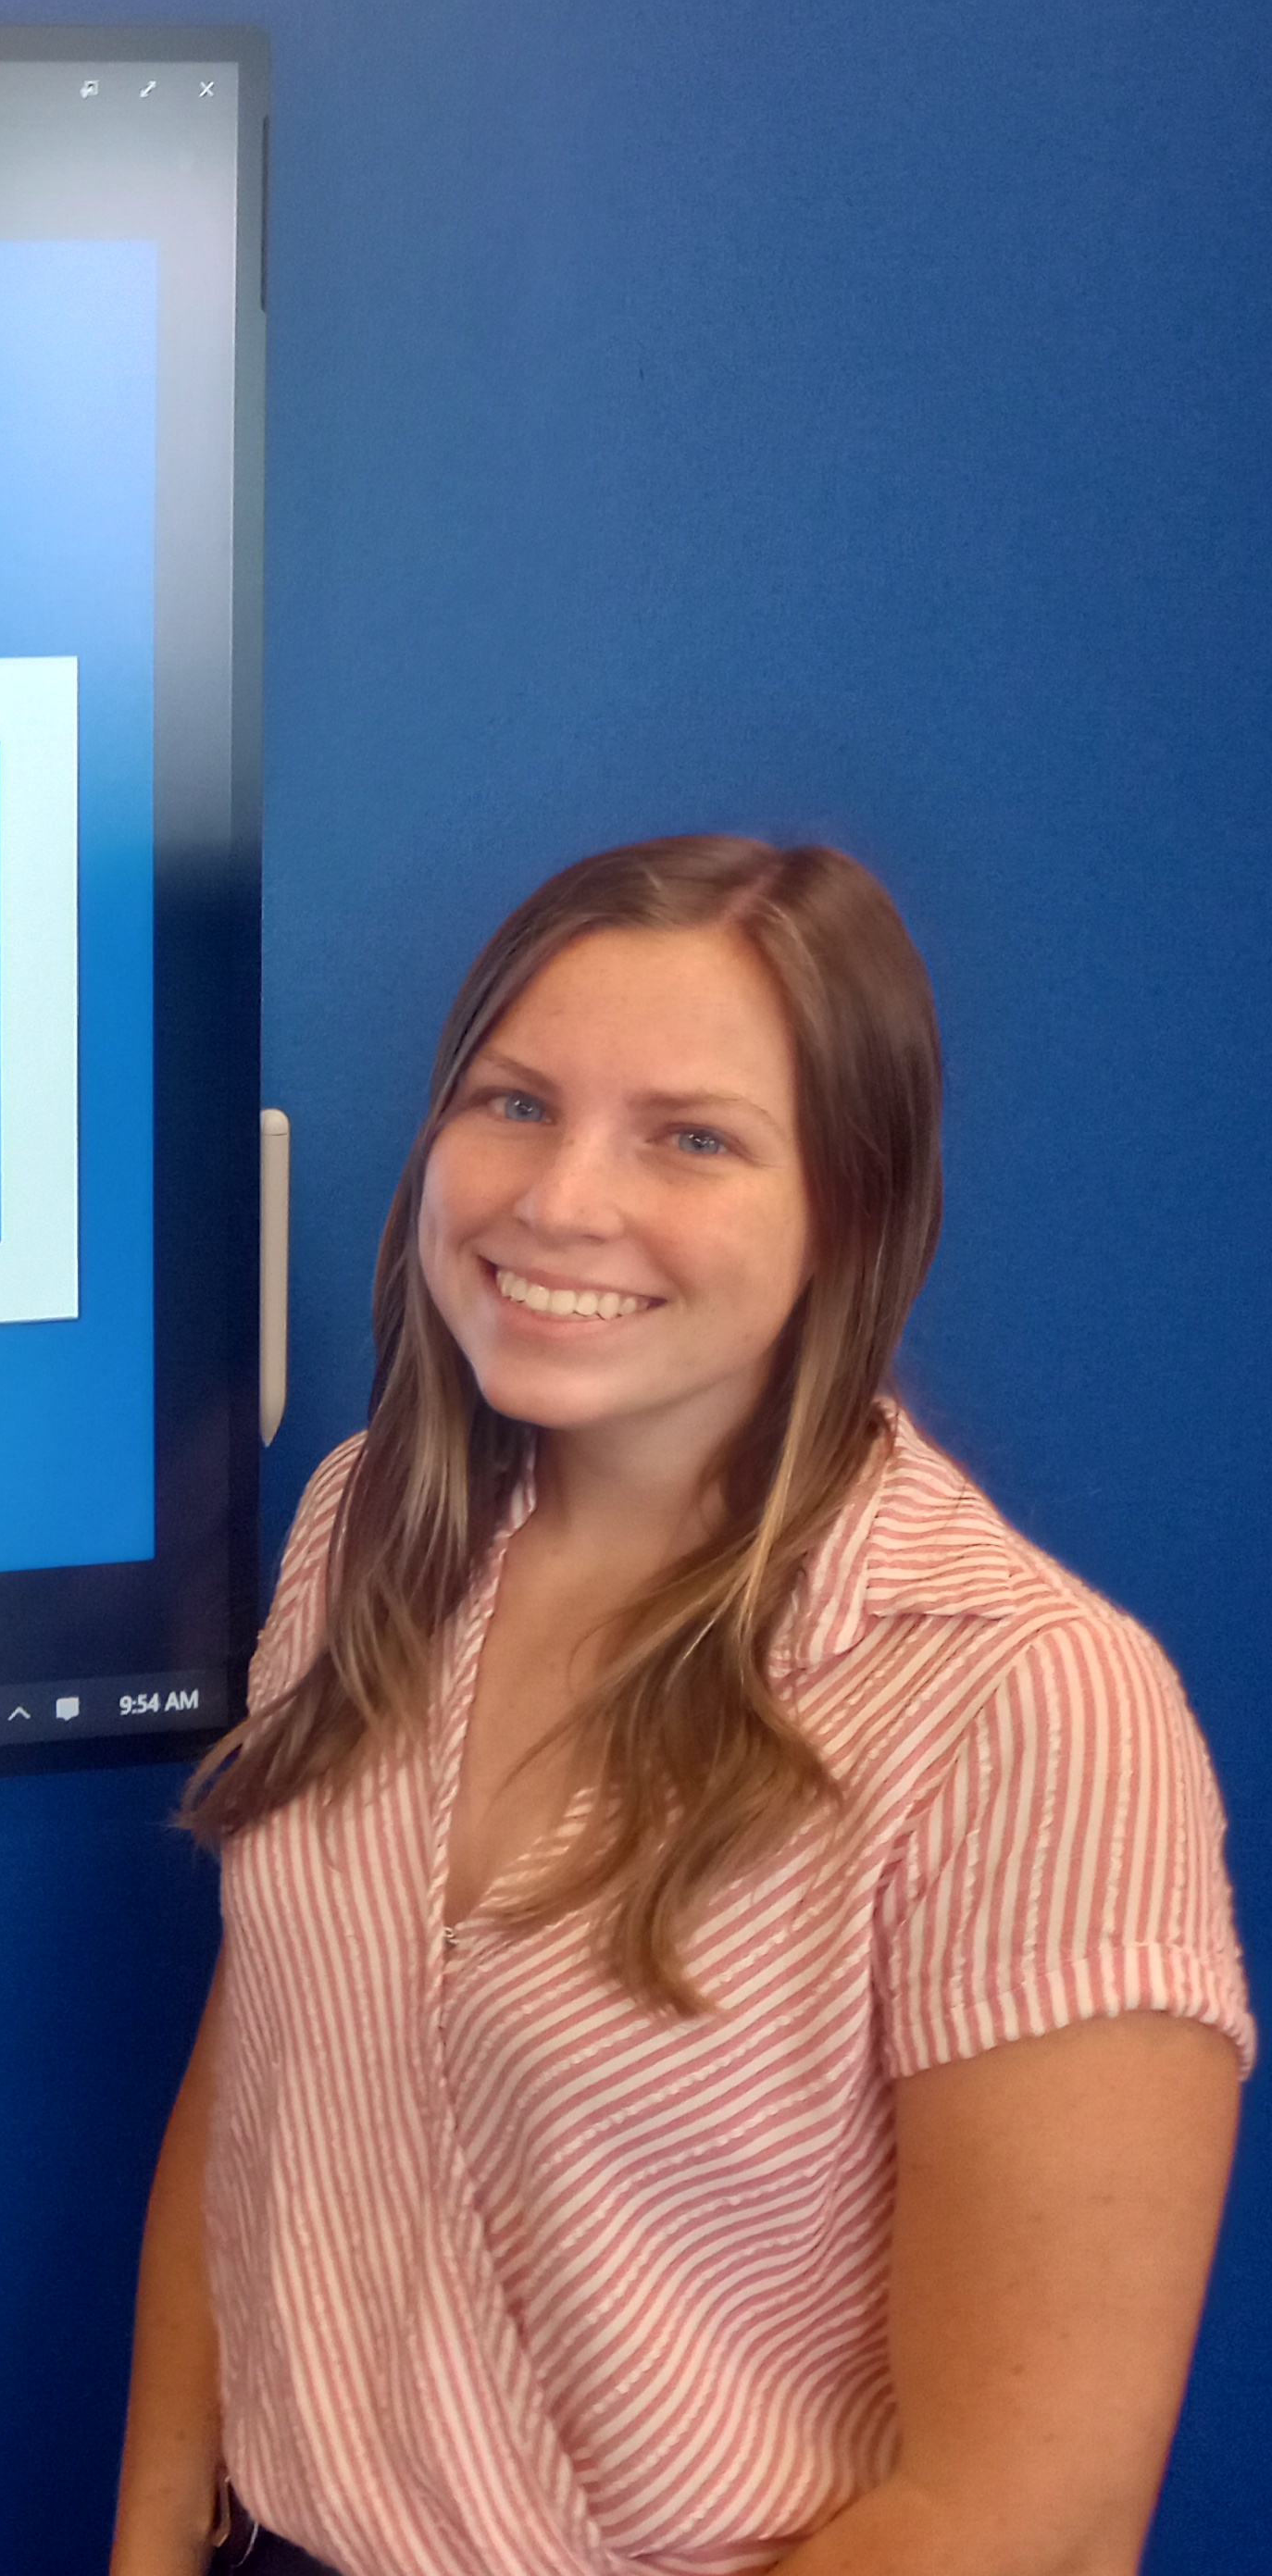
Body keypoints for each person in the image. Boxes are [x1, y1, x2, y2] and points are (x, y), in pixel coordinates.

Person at [110, 838, 1249, 2576]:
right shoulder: (364, 1535)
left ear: (853, 1212)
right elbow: (268, 2069)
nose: (561, 1202)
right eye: (512, 1104)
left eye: (691, 1137)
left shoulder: (1026, 1704)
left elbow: (1031, 2517)